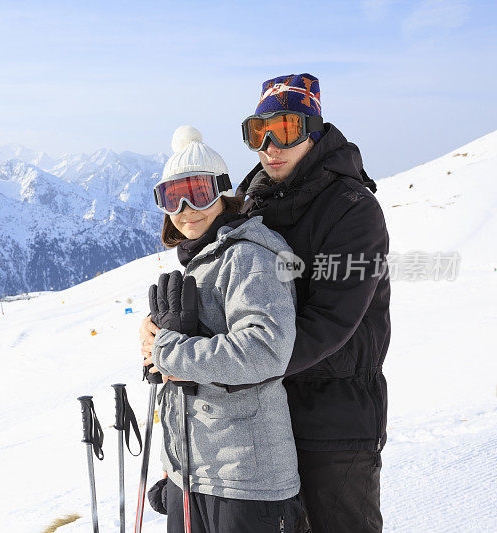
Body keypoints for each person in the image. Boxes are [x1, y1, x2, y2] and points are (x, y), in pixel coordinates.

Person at [143, 74, 391, 532]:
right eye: (258, 133)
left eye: (287, 129)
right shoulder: (255, 197)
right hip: (264, 420)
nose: (270, 146)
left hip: (334, 418)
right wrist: (163, 331)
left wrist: (229, 365)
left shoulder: (353, 209)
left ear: (314, 131)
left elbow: (331, 321)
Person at [141, 125, 303, 532]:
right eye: (171, 197)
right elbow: (186, 377)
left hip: (246, 483)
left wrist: (170, 349)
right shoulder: (202, 260)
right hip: (194, 475)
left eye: (198, 192)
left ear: (224, 193)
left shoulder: (248, 256)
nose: (185, 208)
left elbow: (266, 349)